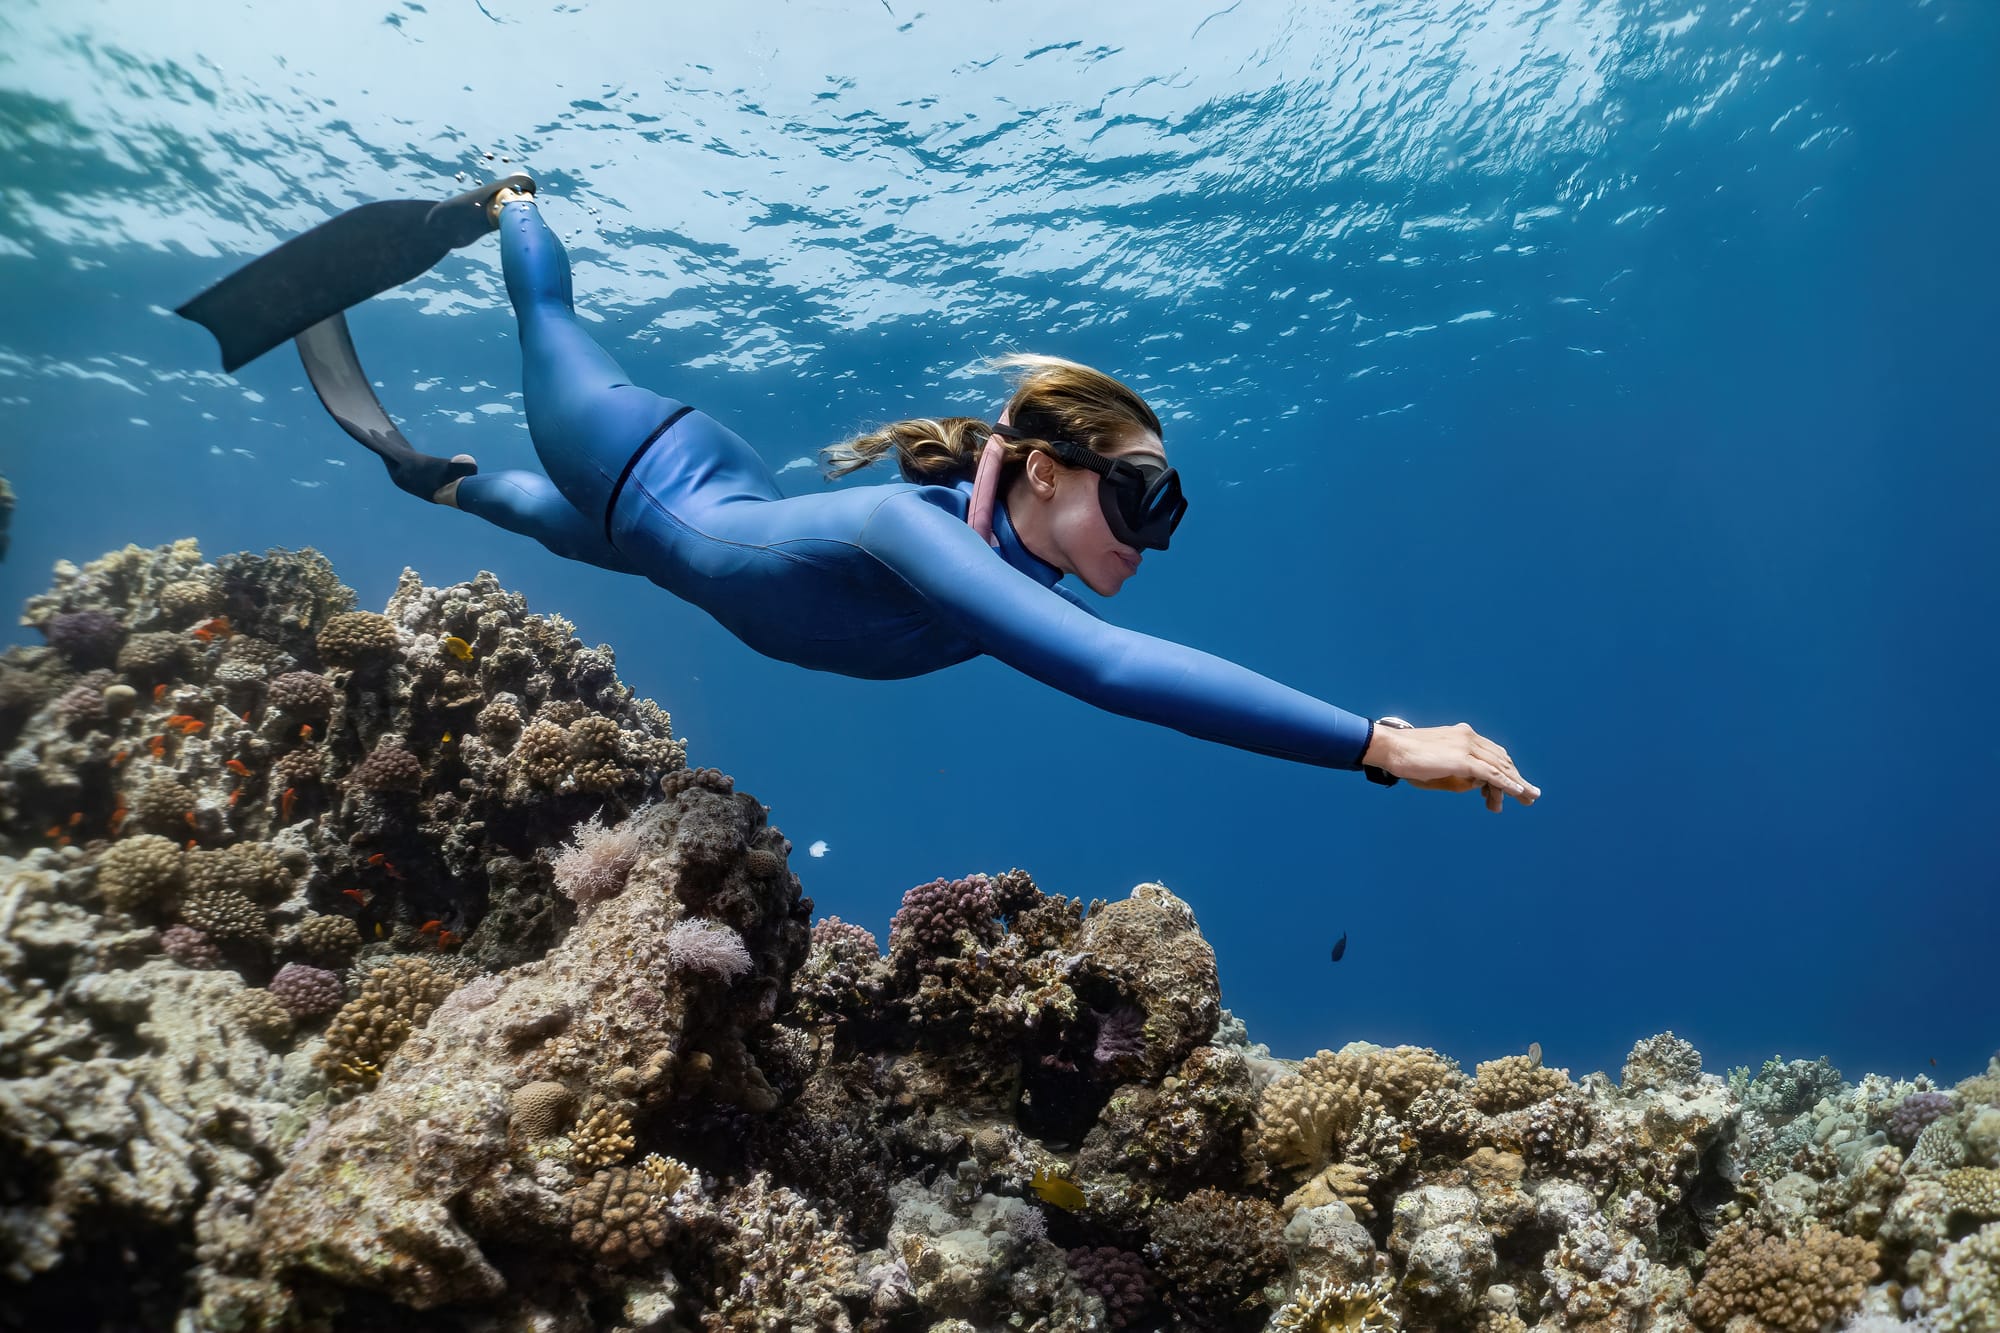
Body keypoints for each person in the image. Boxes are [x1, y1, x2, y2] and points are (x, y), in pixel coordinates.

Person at [191, 176, 1540, 811]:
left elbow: (1061, 619)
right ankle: (509, 197)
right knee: (547, 321)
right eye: (1143, 496)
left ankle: (432, 467)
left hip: (665, 535)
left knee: (467, 495)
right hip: (632, 453)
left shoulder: (991, 571)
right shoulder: (914, 531)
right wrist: (1373, 737)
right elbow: (1118, 671)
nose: (1153, 534)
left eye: (1169, 512)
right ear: (1053, 469)